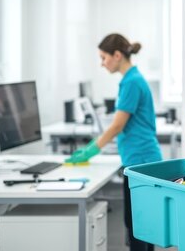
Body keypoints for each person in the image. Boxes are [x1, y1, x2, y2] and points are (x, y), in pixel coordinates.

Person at [66, 33, 161, 251]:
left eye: (103, 57)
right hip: (140, 159)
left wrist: (90, 150)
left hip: (141, 162)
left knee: (137, 225)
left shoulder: (131, 83)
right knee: (141, 225)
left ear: (117, 55)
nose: (102, 63)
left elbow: (117, 125)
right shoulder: (132, 79)